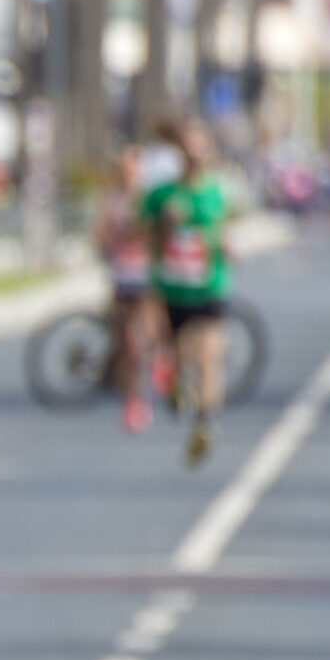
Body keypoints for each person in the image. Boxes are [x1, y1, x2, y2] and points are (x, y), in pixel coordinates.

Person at [141, 118, 234, 469]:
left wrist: (224, 244)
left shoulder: (219, 190)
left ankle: (206, 423)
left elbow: (229, 230)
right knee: (179, 359)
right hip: (174, 288)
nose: (194, 153)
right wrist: (163, 223)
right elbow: (143, 234)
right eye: (187, 146)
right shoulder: (161, 194)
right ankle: (180, 390)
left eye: (199, 145)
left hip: (211, 285)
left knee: (210, 357)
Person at [94, 144, 162, 435]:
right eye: (125, 171)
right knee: (125, 345)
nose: (129, 176)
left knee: (145, 339)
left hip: (147, 279)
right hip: (122, 279)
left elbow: (158, 234)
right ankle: (133, 400)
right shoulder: (112, 202)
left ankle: (156, 379)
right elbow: (100, 237)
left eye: (134, 171)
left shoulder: (149, 201)